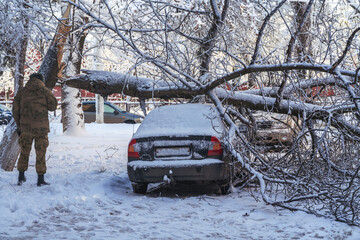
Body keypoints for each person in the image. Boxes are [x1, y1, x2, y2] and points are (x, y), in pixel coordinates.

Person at [12, 73, 57, 186]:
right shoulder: (45, 91)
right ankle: (40, 180)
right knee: (41, 153)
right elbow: (53, 107)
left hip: (25, 129)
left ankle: (21, 177)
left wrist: (20, 125)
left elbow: (15, 111)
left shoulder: (22, 92)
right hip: (41, 129)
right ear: (41, 80)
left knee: (24, 152)